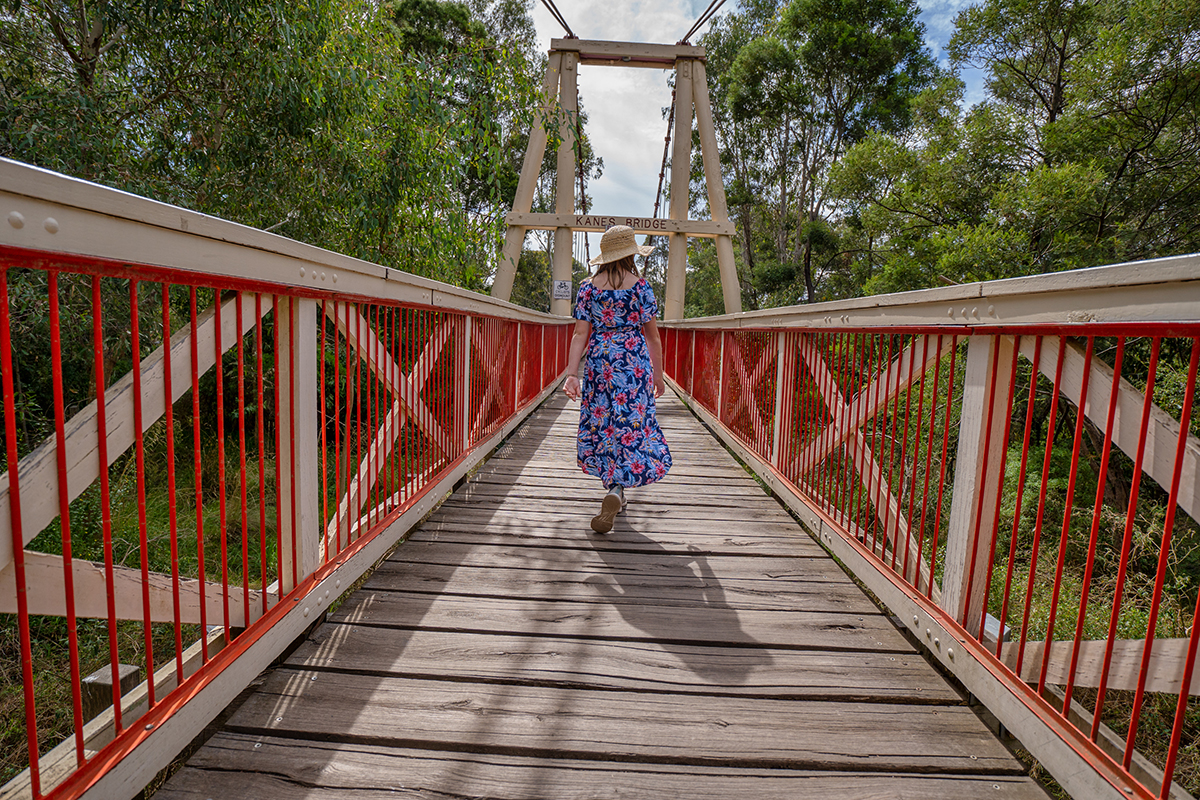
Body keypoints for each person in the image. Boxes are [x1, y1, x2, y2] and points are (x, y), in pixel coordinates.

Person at [563, 225, 672, 533]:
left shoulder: (588, 287)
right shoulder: (641, 287)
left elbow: (579, 333)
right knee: (631, 425)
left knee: (605, 424)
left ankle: (614, 487)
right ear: (630, 254)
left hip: (600, 362)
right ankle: (618, 490)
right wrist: (659, 376)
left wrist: (572, 374)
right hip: (633, 363)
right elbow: (653, 338)